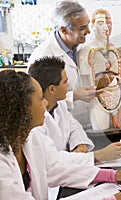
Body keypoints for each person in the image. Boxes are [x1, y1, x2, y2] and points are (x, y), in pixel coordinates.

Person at [0, 69, 121, 199]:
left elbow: (57, 168)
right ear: (22, 109)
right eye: (39, 99)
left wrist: (111, 176)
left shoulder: (30, 138)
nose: (45, 103)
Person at [28, 56, 121, 162]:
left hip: (70, 167)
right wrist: (97, 156)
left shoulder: (59, 105)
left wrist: (79, 145)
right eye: (65, 82)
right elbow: (51, 160)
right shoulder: (35, 121)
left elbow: (74, 127)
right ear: (52, 89)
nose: (68, 85)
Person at [27, 0, 99, 130]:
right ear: (63, 30)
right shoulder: (43, 56)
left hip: (87, 125)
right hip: (59, 129)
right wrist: (75, 96)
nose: (88, 31)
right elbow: (39, 101)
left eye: (88, 25)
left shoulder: (82, 47)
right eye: (82, 28)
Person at [77, 8, 121, 130]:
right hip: (96, 100)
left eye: (108, 23)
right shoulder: (85, 51)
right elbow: (85, 81)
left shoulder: (117, 50)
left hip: (118, 98)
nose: (106, 27)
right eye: (100, 23)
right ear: (92, 26)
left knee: (120, 134)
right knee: (101, 133)